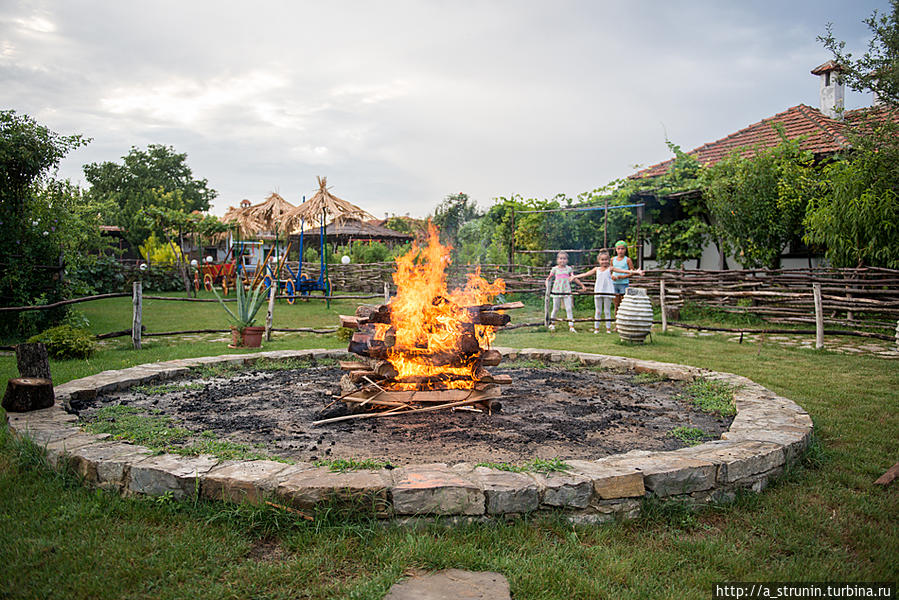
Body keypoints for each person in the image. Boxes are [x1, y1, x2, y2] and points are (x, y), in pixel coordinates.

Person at [574, 251, 643, 333]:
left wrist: (635, 272)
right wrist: (575, 276)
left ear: (609, 260)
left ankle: (608, 329)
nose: (604, 261)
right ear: (599, 261)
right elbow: (586, 274)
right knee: (598, 311)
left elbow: (623, 271)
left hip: (608, 291)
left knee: (607, 311)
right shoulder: (597, 269)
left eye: (606, 259)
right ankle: (596, 328)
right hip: (598, 291)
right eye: (602, 260)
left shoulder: (610, 268)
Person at [545, 251, 585, 332]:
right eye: (560, 258)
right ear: (557, 260)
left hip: (566, 291)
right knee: (555, 308)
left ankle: (571, 326)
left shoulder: (569, 269)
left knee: (569, 308)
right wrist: (547, 287)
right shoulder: (554, 269)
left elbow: (574, 278)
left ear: (567, 260)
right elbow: (548, 278)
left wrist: (582, 285)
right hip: (557, 290)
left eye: (564, 259)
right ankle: (552, 324)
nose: (562, 260)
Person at [611, 240, 637, 311]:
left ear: (625, 249)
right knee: (616, 303)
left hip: (623, 283)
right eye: (618, 249)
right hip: (614, 283)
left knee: (623, 303)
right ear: (616, 250)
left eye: (622, 249)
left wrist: (623, 277)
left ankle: (623, 318)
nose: (620, 251)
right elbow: (609, 270)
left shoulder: (627, 260)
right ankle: (616, 318)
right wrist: (611, 277)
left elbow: (632, 272)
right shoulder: (613, 259)